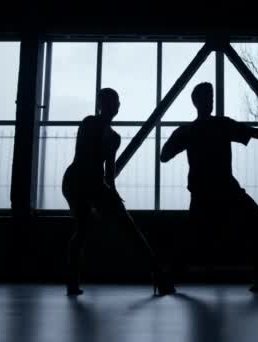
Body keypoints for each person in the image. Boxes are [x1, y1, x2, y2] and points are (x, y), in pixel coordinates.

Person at [160, 82, 258, 293]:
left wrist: (180, 142)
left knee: (194, 237)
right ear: (200, 101)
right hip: (226, 190)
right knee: (257, 224)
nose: (211, 101)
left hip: (203, 192)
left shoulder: (188, 131)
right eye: (209, 97)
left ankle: (167, 280)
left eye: (211, 97)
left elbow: (164, 156)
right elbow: (254, 133)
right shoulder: (221, 125)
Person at [62, 87, 175, 296]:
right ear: (101, 105)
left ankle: (72, 281)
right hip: (81, 181)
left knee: (88, 228)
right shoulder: (99, 129)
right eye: (112, 102)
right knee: (108, 228)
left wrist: (111, 191)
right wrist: (109, 192)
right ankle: (159, 276)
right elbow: (104, 169)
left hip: (82, 182)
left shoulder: (102, 131)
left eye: (116, 102)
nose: (115, 106)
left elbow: (108, 171)